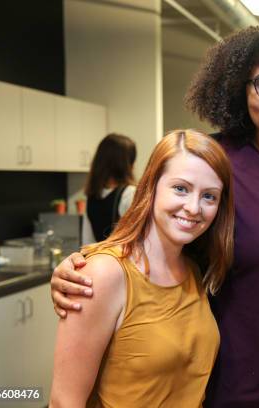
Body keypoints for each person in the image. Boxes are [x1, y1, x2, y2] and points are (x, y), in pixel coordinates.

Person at [48, 26, 259, 407]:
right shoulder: (214, 162)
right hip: (248, 395)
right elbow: (146, 243)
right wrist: (81, 270)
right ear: (241, 89)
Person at [50, 130, 235, 407]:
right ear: (151, 186)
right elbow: (65, 402)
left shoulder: (195, 270)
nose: (194, 207)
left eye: (209, 196)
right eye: (181, 188)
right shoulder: (103, 274)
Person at [82, 133, 137, 244]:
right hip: (120, 260)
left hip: (96, 258)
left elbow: (87, 242)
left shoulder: (91, 196)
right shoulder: (129, 194)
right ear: (127, 164)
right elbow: (137, 241)